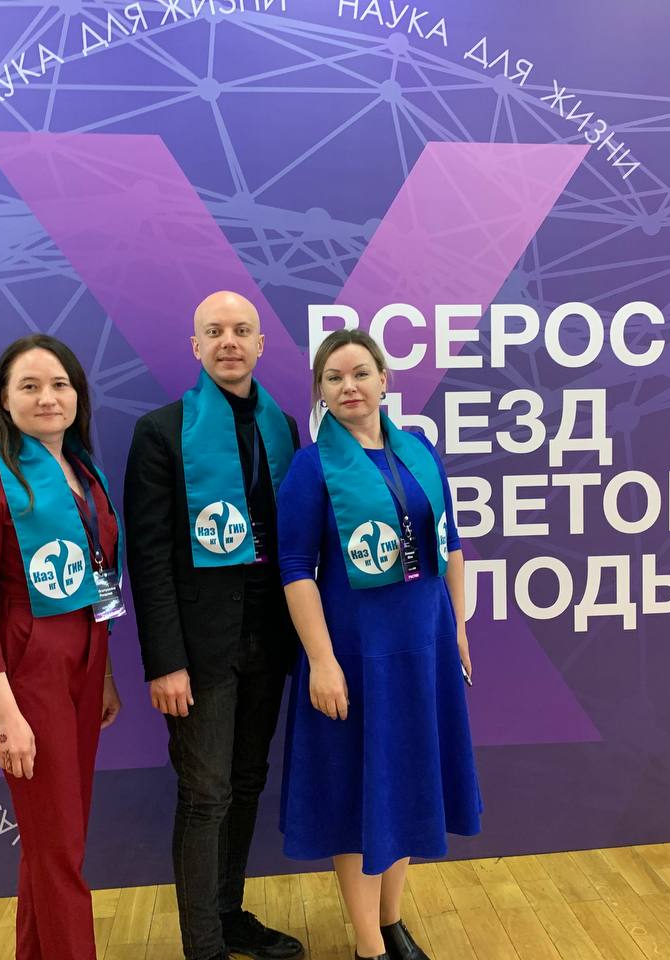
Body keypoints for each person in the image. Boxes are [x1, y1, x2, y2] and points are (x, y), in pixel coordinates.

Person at [276, 329, 482, 960]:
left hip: (424, 646)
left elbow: (450, 543)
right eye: (334, 377)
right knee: (357, 794)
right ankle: (369, 946)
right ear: (320, 391)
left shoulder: (419, 451)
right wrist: (322, 661)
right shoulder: (312, 467)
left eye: (360, 373)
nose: (349, 387)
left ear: (384, 380)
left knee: (407, 781)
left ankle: (392, 922)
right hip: (355, 654)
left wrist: (458, 629)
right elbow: (294, 568)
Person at [124, 291, 305, 960]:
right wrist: (164, 661)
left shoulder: (285, 427)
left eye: (242, 330)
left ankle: (228, 915)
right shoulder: (160, 432)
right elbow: (148, 559)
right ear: (195, 346)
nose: (229, 341)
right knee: (206, 795)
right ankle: (203, 946)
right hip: (199, 653)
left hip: (270, 640)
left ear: (260, 344)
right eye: (215, 331)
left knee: (248, 782)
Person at [0, 333, 124, 960]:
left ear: (77, 395)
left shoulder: (85, 473)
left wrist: (105, 675)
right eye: (29, 386)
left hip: (87, 663)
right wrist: (6, 716)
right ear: (4, 399)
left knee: (54, 839)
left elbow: (99, 578)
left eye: (59, 385)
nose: (47, 398)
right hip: (28, 675)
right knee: (60, 848)